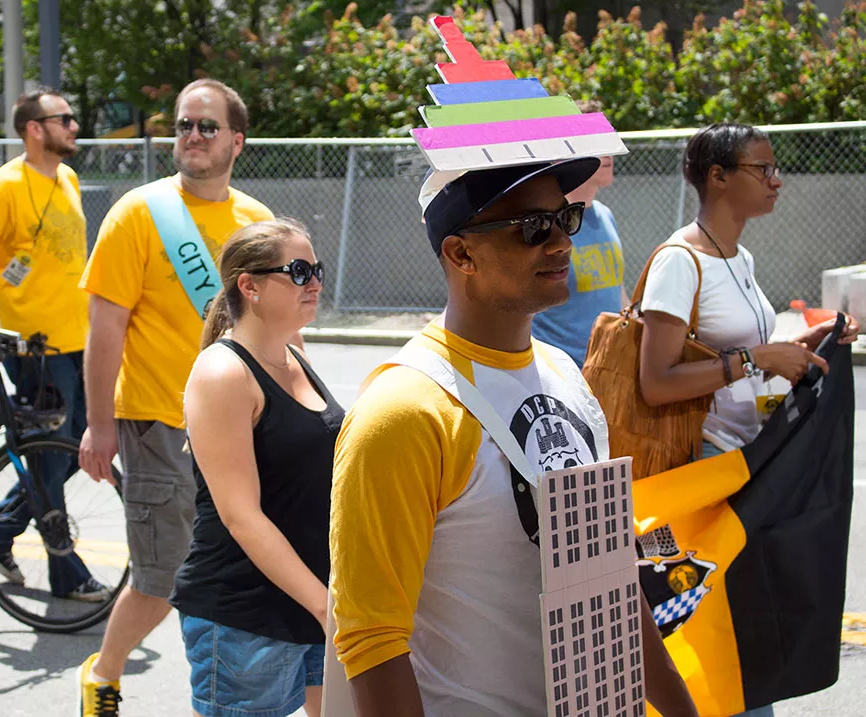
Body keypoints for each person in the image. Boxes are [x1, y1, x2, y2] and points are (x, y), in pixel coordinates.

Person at [329, 159, 698, 716]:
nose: (560, 244)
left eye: (565, 218)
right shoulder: (403, 412)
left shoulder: (565, 375)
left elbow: (608, 579)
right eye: (531, 228)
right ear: (460, 254)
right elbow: (371, 638)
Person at [637, 122, 859, 717]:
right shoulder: (680, 261)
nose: (776, 179)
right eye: (762, 169)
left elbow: (732, 356)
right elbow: (655, 381)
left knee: (746, 638)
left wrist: (797, 343)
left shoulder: (740, 255)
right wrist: (758, 358)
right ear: (718, 177)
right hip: (703, 471)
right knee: (727, 644)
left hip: (745, 464)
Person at [75, 79, 273, 717]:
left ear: (236, 140)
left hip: (242, 427)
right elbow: (105, 329)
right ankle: (103, 674)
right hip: (158, 425)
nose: (191, 136)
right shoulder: (138, 213)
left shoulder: (256, 224)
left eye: (206, 127)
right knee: (164, 580)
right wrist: (99, 426)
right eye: (184, 125)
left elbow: (273, 332)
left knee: (247, 564)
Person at [171, 218, 341, 717]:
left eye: (317, 269)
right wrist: (323, 604)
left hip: (311, 602)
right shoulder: (223, 372)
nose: (316, 282)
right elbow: (240, 516)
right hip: (247, 618)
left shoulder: (292, 353)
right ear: (250, 286)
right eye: (299, 270)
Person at [0, 86, 106, 602]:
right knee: (50, 458)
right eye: (64, 118)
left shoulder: (68, 179)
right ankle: (68, 573)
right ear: (34, 129)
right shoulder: (5, 187)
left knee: (69, 451)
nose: (74, 126)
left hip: (79, 342)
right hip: (36, 350)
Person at [531, 154, 627, 366]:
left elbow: (615, 289)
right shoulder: (548, 224)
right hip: (562, 369)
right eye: (595, 146)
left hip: (605, 368)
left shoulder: (605, 214)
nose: (608, 153)